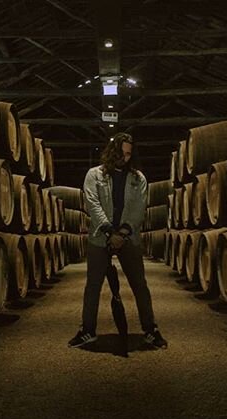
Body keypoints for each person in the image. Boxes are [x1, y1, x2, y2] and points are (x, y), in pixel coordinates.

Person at [68, 132, 168, 349]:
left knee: (139, 285)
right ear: (111, 152)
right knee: (93, 286)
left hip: (127, 237)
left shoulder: (138, 178)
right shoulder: (93, 175)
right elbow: (92, 204)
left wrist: (121, 233)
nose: (124, 158)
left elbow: (138, 209)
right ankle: (87, 330)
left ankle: (150, 330)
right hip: (100, 236)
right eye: (121, 153)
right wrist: (108, 231)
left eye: (129, 154)